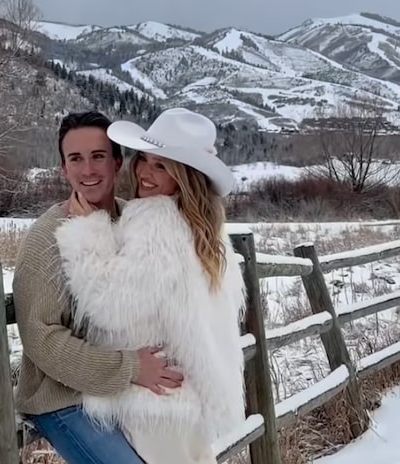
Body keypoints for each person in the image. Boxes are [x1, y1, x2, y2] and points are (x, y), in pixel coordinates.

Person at [52, 108, 248, 464]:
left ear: (185, 176)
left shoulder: (158, 222)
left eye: (161, 165)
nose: (144, 172)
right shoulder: (205, 230)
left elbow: (111, 304)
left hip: (156, 406)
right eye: (143, 159)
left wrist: (86, 231)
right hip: (187, 399)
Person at [12, 111, 184, 464]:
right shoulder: (46, 237)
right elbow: (41, 339)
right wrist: (130, 368)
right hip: (64, 399)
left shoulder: (134, 220)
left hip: (126, 391)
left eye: (98, 156)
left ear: (118, 162)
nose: (87, 169)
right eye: (76, 158)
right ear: (63, 168)